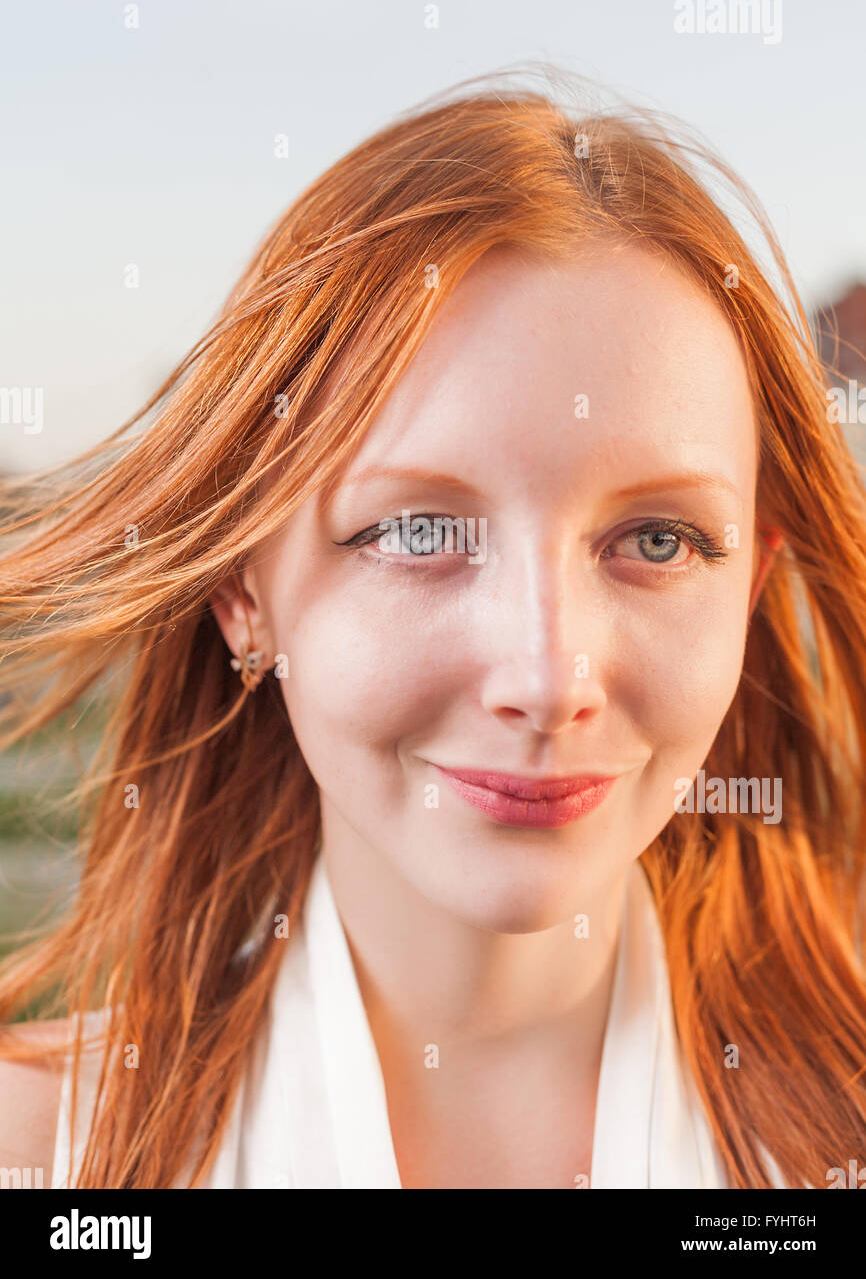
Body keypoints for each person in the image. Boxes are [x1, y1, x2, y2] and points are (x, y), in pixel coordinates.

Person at [1, 67, 865, 1189]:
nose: (549, 677)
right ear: (242, 592)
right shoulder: (44, 1157)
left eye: (655, 541)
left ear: (747, 591)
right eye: (415, 530)